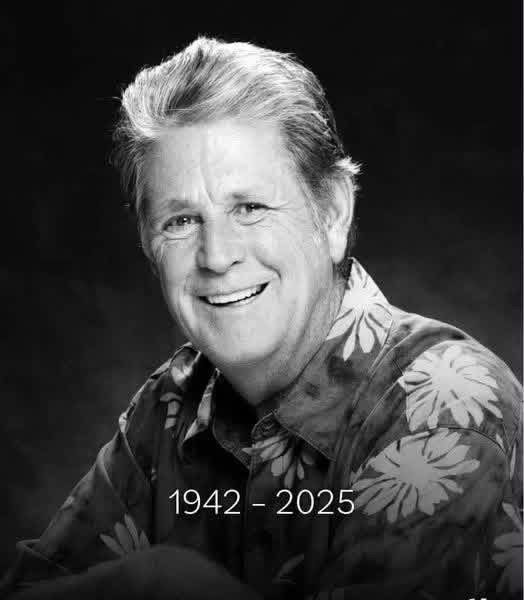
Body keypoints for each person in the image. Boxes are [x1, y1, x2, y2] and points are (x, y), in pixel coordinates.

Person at [3, 37, 522, 600]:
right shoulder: (169, 407)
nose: (217, 256)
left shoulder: (447, 405)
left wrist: (166, 584)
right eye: (181, 221)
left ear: (333, 213)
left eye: (250, 207)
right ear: (148, 244)